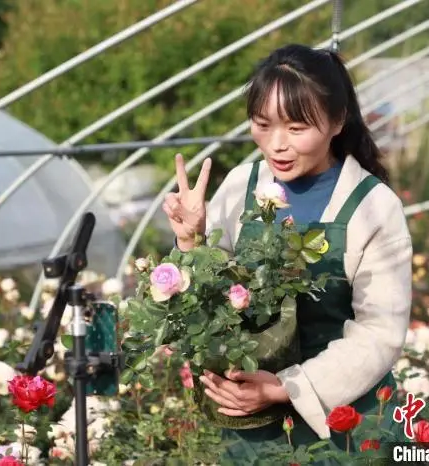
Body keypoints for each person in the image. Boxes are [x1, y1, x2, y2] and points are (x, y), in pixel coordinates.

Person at [163, 44, 412, 463]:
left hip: (343, 423)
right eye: (262, 125)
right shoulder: (243, 184)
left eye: (296, 129)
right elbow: (208, 297)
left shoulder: (373, 206)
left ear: (338, 120)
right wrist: (190, 242)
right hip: (249, 429)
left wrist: (282, 387)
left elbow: (379, 332)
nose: (277, 145)